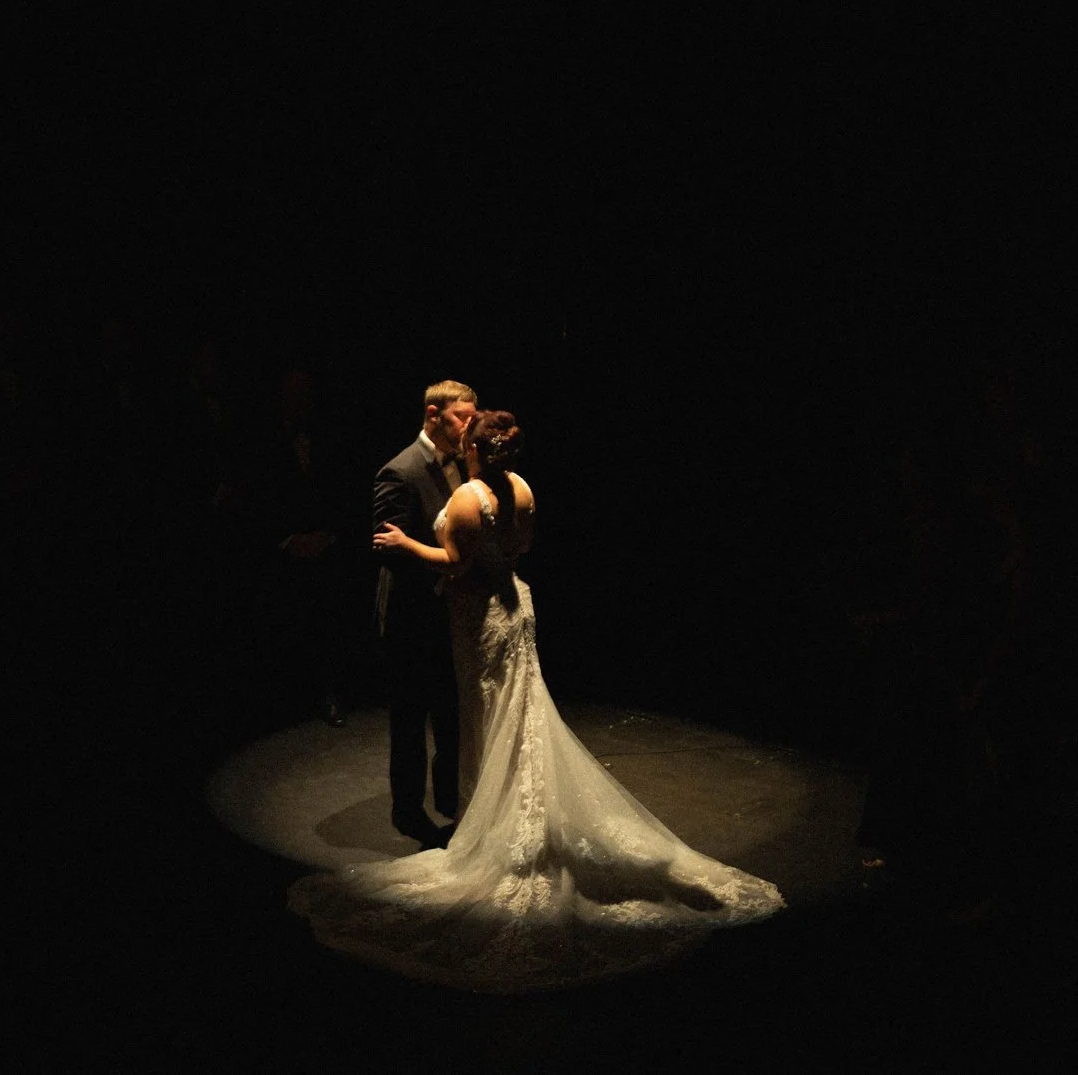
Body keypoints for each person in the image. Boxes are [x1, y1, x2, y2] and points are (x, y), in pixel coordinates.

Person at [290, 410, 784, 993]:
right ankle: (507, 810)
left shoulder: (472, 496)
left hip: (478, 617)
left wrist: (407, 542)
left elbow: (455, 562)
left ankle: (494, 822)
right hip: (515, 606)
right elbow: (520, 546)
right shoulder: (521, 489)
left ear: (475, 451)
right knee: (519, 710)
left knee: (489, 715)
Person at [367, 380, 476, 846]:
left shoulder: (464, 464)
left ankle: (451, 802)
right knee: (410, 720)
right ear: (434, 415)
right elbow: (388, 550)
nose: (470, 425)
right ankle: (407, 811)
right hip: (412, 615)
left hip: (448, 611)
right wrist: (446, 564)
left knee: (451, 716)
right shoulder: (400, 471)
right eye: (461, 417)